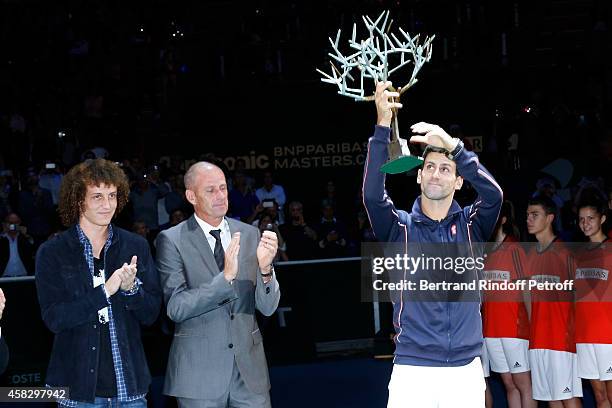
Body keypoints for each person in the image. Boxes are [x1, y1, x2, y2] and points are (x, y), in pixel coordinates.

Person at [363, 81, 503, 407]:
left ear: (458, 180)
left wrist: (454, 147)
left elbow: (494, 194)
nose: (436, 174)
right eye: (429, 167)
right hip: (413, 370)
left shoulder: (472, 226)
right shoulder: (400, 229)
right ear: (418, 176)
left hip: (466, 369)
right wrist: (382, 125)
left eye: (445, 169)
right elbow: (372, 196)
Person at [35, 158, 162, 407]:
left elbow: (152, 315)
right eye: (97, 197)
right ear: (79, 199)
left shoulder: (135, 246)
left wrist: (131, 290)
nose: (107, 205)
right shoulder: (53, 252)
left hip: (130, 390)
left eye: (112, 196)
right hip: (77, 392)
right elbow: (54, 318)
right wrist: (105, 291)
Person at [156, 161, 280, 408]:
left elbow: (267, 308)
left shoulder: (249, 234)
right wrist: (224, 280)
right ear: (191, 196)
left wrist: (266, 271)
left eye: (223, 188)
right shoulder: (171, 240)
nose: (221, 196)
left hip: (249, 373)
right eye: (210, 190)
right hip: (198, 375)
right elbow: (176, 307)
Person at [525, 196, 582, 407]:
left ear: (549, 218)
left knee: (568, 398)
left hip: (561, 340)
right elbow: (529, 299)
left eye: (535, 215)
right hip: (538, 339)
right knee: (551, 399)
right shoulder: (531, 255)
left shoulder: (564, 253)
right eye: (527, 215)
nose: (529, 220)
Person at [482, 201, 536, 407]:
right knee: (509, 384)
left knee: (524, 384)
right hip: (491, 330)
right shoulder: (486, 253)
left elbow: (527, 290)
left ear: (503, 220)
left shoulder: (515, 248)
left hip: (515, 329)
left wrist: (533, 326)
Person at [574, 200, 612, 407]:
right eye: (581, 219)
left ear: (602, 219)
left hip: (608, 337)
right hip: (584, 336)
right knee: (599, 396)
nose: (585, 223)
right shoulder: (579, 254)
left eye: (591, 218)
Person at [0, 212, 35, 277]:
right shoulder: (2, 238)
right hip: (4, 278)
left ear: (20, 223)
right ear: (5, 224)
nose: (13, 225)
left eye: (16, 222)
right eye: (10, 223)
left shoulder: (24, 238)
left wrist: (25, 235)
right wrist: (2, 233)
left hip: (23, 277)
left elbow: (32, 252)